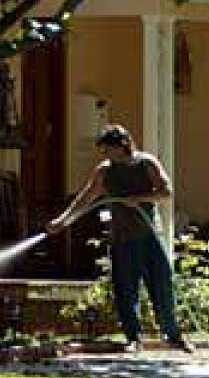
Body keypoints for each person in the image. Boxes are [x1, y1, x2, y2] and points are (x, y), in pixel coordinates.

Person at [46, 124, 194, 354]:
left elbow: (167, 191)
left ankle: (173, 336)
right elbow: (86, 198)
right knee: (126, 291)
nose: (104, 155)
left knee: (162, 287)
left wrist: (139, 198)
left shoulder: (146, 163)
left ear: (122, 145)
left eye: (107, 150)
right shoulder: (105, 171)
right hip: (122, 239)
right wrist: (63, 220)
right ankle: (133, 338)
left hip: (148, 236)